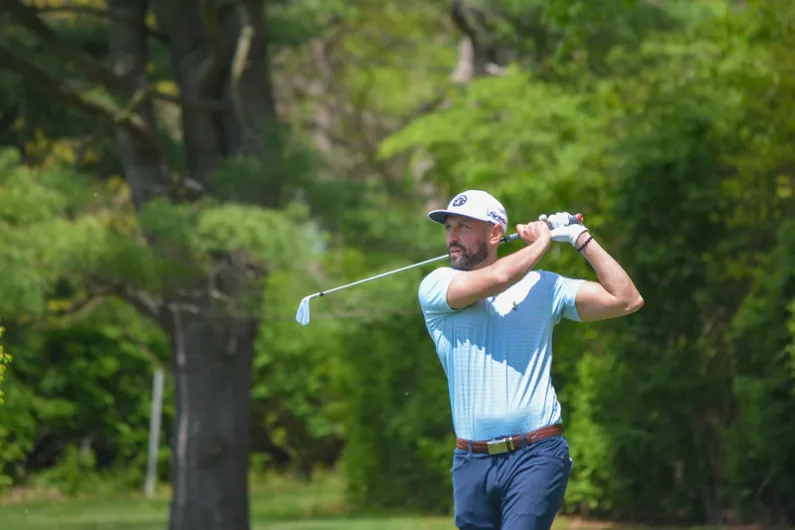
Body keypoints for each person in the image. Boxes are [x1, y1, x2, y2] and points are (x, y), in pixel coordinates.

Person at [417, 189, 643, 530]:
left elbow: (626, 299)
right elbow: (497, 278)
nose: (452, 237)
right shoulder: (437, 285)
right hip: (470, 460)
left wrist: (581, 238)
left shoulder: (545, 286)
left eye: (463, 226)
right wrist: (541, 243)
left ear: (494, 233)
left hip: (536, 453)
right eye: (449, 227)